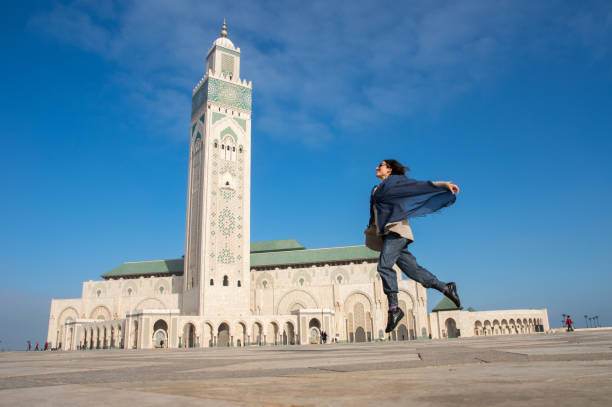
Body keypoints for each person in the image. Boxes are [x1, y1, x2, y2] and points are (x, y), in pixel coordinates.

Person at [365, 159, 461, 333]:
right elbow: (375, 213)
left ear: (390, 170)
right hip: (387, 234)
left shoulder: (396, 182)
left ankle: (394, 308)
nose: (377, 167)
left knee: (384, 266)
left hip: (398, 231)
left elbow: (418, 186)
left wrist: (444, 185)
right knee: (413, 271)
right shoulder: (375, 190)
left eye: (381, 165)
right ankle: (446, 288)